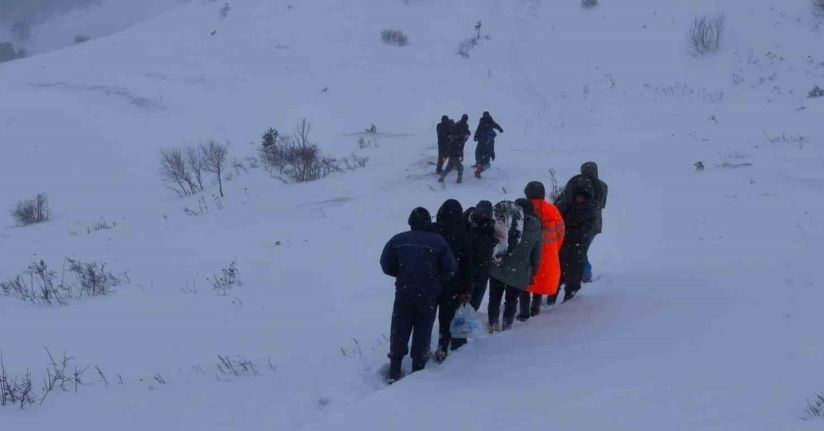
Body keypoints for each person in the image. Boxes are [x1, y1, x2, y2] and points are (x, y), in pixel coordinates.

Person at [380, 207, 457, 383]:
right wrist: (436, 279)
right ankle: (417, 369)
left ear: (410, 223)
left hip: (404, 291)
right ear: (428, 223)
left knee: (399, 327)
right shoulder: (439, 241)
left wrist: (402, 273)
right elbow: (450, 268)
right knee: (423, 328)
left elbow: (385, 264)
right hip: (428, 293)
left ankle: (394, 368)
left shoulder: (398, 239)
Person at [487, 199, 542, 332]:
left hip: (499, 266)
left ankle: (492, 325)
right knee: (511, 300)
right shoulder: (536, 228)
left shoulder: (507, 220)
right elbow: (536, 255)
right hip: (519, 271)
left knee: (494, 298)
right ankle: (507, 326)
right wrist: (533, 271)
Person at [433, 199, 473, 361]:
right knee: (448, 316)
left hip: (432, 281)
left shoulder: (433, 230)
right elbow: (467, 265)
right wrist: (467, 288)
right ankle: (444, 346)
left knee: (426, 317)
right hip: (453, 283)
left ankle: (422, 348)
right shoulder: (463, 234)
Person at [556, 162, 607, 282]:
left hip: (578, 222)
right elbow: (602, 204)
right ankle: (583, 274)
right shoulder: (603, 186)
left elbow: (564, 201)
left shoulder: (578, 182)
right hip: (595, 223)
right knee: (582, 248)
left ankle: (583, 275)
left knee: (577, 249)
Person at [524, 181, 565, 314]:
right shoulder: (552, 210)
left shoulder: (523, 208)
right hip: (547, 253)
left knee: (524, 280)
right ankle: (535, 308)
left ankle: (524, 311)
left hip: (526, 252)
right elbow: (560, 232)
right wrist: (554, 248)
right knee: (540, 281)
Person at [556, 179, 597, 302]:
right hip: (565, 243)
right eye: (578, 196)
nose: (580, 199)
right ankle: (553, 297)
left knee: (574, 271)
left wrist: (570, 231)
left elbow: (586, 229)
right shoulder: (568, 204)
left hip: (577, 244)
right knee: (559, 271)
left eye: (582, 197)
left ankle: (570, 297)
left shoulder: (589, 209)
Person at [464, 200, 498, 311]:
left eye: (486, 215)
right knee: (463, 299)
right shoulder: (465, 222)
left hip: (483, 267)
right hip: (467, 266)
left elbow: (499, 240)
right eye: (481, 213)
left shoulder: (491, 225)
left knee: (476, 300)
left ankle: (471, 313)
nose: (483, 217)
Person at [472, 111, 504, 179]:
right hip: (484, 141)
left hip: (484, 141)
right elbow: (479, 129)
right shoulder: (487, 122)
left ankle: (478, 166)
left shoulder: (486, 122)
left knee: (481, 155)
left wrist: (476, 136)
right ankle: (478, 169)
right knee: (485, 160)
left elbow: (479, 129)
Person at [438, 119, 470, 184]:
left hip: (453, 155)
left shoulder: (459, 140)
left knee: (448, 168)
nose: (467, 137)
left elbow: (458, 148)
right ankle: (459, 182)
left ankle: (441, 178)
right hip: (454, 156)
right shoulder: (459, 140)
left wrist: (461, 156)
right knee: (461, 168)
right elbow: (451, 148)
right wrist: (445, 156)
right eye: (467, 136)